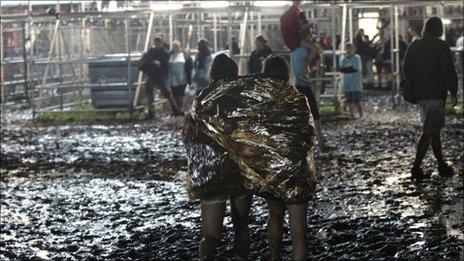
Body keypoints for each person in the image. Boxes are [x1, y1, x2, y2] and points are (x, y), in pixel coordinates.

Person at [184, 54, 252, 260]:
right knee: (241, 225)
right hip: (240, 171)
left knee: (210, 236)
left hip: (211, 173)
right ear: (235, 72)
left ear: (213, 74)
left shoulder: (202, 99)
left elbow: (190, 135)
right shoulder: (243, 99)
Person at [261, 55, 313, 260]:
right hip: (297, 169)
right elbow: (309, 134)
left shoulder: (261, 104)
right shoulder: (299, 99)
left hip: (271, 168)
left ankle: (274, 256)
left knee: (274, 215)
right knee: (299, 228)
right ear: (286, 74)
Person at [403, 17, 458, 180]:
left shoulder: (414, 46)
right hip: (435, 93)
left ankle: (441, 164)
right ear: (439, 29)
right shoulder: (441, 46)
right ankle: (416, 167)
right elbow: (448, 70)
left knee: (434, 130)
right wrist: (453, 91)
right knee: (429, 131)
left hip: (420, 95)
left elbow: (406, 69)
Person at [139, 36, 182, 118]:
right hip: (151, 75)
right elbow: (144, 59)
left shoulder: (164, 53)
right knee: (149, 95)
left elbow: (166, 65)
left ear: (161, 43)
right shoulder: (151, 52)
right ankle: (150, 112)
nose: (157, 44)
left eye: (158, 42)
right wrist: (153, 61)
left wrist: (158, 64)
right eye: (156, 42)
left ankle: (175, 111)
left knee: (168, 94)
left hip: (160, 76)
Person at [340, 43, 363, 119]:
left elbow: (355, 69)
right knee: (349, 100)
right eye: (347, 48)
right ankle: (352, 115)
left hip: (355, 82)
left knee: (356, 100)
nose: (349, 50)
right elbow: (342, 69)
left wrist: (347, 69)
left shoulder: (356, 58)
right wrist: (348, 69)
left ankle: (361, 114)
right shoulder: (343, 59)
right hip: (347, 82)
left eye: (350, 48)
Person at [168, 40, 192, 112]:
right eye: (174, 46)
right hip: (172, 78)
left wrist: (190, 77)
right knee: (174, 94)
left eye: (177, 46)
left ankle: (182, 109)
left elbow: (189, 66)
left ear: (180, 47)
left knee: (181, 94)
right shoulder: (169, 55)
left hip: (182, 77)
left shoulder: (184, 55)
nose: (176, 48)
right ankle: (177, 109)